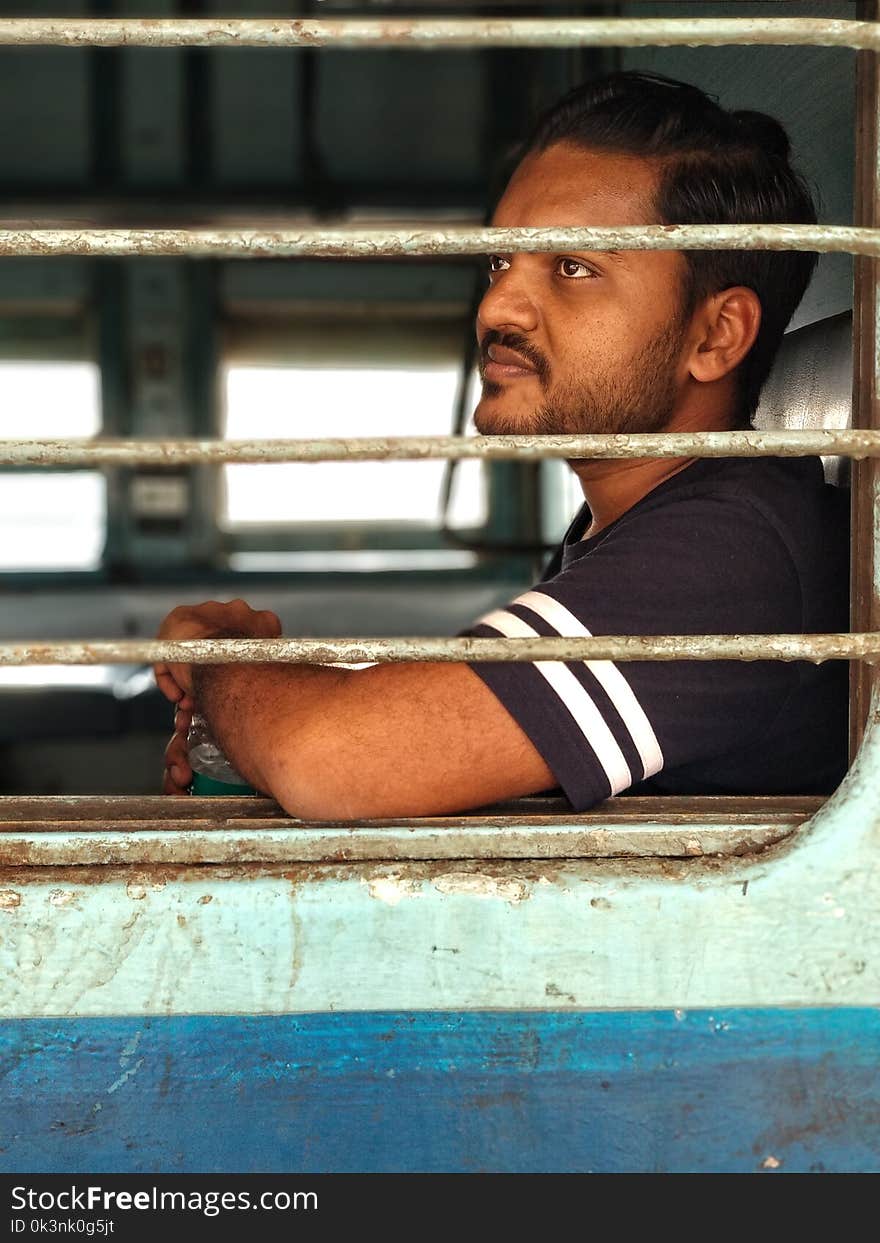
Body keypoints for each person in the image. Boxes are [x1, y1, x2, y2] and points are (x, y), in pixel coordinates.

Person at [154, 71, 849, 818]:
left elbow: (331, 759)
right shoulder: (634, 531)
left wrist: (223, 659)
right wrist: (255, 719)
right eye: (499, 263)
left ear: (715, 335)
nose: (496, 307)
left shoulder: (729, 553)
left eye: (574, 268)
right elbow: (399, 737)